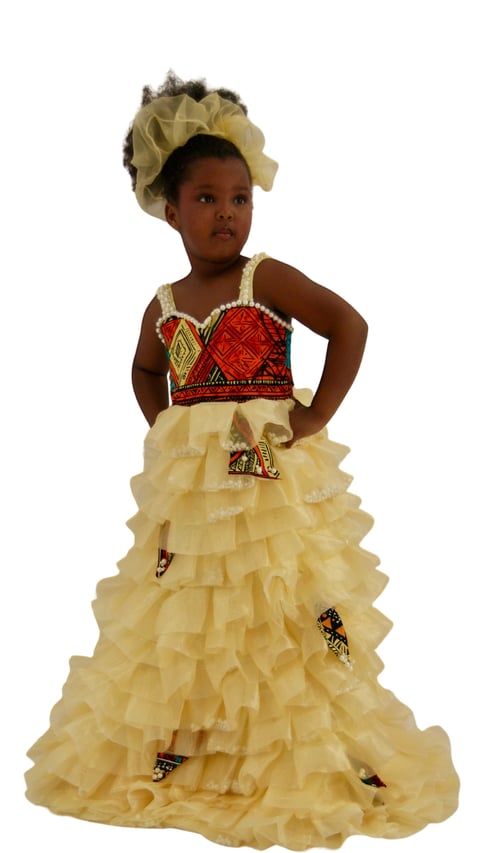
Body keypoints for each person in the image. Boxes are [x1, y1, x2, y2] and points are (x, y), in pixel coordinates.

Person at [25, 71, 459, 849]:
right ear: (170, 210)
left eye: (239, 198)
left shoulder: (267, 279)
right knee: (193, 610)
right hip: (192, 500)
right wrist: (169, 429)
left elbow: (350, 324)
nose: (226, 213)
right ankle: (200, 745)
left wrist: (316, 413)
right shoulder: (163, 304)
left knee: (287, 606)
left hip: (268, 491)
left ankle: (302, 744)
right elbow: (143, 370)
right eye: (206, 199)